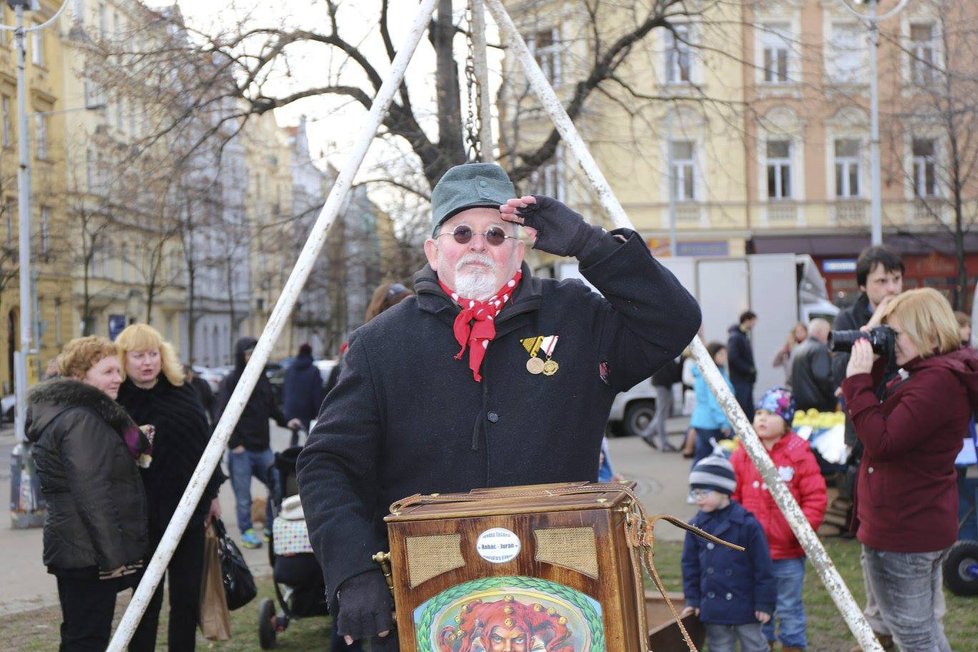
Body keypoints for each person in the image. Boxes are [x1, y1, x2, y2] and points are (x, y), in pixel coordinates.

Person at [296, 162, 701, 648]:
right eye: (461, 231)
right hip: (428, 596)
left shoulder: (577, 316)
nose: (477, 245)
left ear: (521, 245)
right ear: (433, 249)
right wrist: (353, 570)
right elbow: (326, 463)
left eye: (495, 233)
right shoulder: (379, 344)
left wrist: (592, 246)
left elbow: (674, 321)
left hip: (561, 593)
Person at [842, 288, 978, 651]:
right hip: (916, 522)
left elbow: (883, 443)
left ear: (930, 333)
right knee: (923, 629)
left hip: (904, 530)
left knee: (914, 636)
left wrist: (856, 383)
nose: (891, 342)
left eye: (897, 334)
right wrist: (870, 369)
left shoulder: (936, 381)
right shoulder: (932, 373)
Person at [26, 336, 151, 652]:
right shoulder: (82, 418)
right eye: (108, 371)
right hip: (88, 552)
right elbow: (92, 492)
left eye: (118, 371)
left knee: (79, 635)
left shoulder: (66, 411)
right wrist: (114, 561)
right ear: (81, 376)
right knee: (87, 639)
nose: (118, 379)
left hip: (77, 547)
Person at [115, 324, 224, 651]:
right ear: (124, 359)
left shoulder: (181, 390)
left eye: (152, 354)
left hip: (188, 513)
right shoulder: (117, 400)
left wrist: (213, 493)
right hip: (142, 516)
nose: (147, 362)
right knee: (145, 601)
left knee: (186, 599)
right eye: (138, 356)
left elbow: (207, 445)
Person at [731, 387, 826, 652]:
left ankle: (793, 646)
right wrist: (738, 533)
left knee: (789, 605)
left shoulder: (798, 454)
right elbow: (733, 496)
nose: (761, 418)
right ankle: (763, 644)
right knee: (759, 605)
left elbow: (815, 496)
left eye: (771, 413)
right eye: (759, 412)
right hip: (753, 552)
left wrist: (801, 532)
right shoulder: (743, 453)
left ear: (786, 420)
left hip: (788, 553)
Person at [680, 454, 775, 652]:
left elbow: (763, 568)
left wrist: (764, 603)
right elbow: (689, 566)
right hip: (714, 607)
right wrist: (693, 599)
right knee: (720, 646)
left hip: (746, 605)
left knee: (754, 645)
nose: (697, 499)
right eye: (694, 493)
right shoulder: (695, 526)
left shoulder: (747, 525)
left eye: (703, 492)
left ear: (723, 491)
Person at [218, 336, 302, 548]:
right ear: (240, 356)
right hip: (241, 451)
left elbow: (272, 409)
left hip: (263, 448)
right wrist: (234, 444)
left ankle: (269, 527)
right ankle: (246, 531)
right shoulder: (231, 381)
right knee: (244, 496)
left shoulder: (262, 380)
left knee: (276, 484)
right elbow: (222, 415)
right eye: (248, 353)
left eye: (255, 353)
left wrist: (287, 421)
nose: (252, 357)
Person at [690, 342, 734, 467]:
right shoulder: (712, 374)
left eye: (725, 353)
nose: (724, 357)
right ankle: (698, 484)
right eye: (720, 354)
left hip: (703, 421)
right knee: (707, 458)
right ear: (712, 355)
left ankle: (697, 483)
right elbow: (715, 402)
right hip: (711, 423)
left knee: (702, 456)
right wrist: (724, 424)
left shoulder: (708, 371)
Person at [789, 318, 836, 413]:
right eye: (828, 332)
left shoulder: (798, 348)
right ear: (820, 332)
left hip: (800, 405)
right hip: (819, 407)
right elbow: (823, 378)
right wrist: (834, 396)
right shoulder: (819, 349)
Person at [282, 343, 324, 437]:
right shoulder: (314, 371)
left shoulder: (290, 369)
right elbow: (316, 394)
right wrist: (319, 412)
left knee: (294, 437)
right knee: (307, 440)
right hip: (307, 412)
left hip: (291, 409)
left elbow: (285, 389)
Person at [641, 355, 681, 451]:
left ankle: (649, 433)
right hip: (663, 383)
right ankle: (663, 443)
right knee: (661, 413)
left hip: (663, 382)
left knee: (662, 412)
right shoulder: (666, 348)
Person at [728, 310, 758, 421]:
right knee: (743, 409)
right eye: (753, 321)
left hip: (745, 380)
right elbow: (733, 357)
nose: (754, 324)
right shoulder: (736, 337)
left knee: (748, 409)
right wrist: (749, 369)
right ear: (746, 320)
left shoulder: (742, 336)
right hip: (740, 380)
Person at [772, 322, 807, 387]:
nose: (799, 333)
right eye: (797, 331)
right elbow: (775, 363)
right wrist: (782, 351)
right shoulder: (787, 350)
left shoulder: (807, 347)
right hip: (789, 384)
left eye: (801, 331)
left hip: (803, 384)